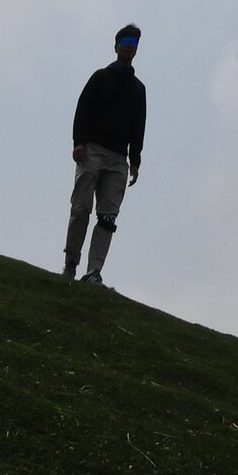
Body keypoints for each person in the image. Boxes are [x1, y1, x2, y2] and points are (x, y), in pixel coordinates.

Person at [64, 25, 147, 285]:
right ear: (116, 46)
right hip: (93, 151)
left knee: (108, 217)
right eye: (125, 40)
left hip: (118, 160)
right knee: (80, 208)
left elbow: (138, 125)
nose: (129, 45)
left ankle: (94, 271)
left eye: (133, 41)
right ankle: (71, 264)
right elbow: (83, 109)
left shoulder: (138, 89)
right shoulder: (100, 77)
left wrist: (135, 159)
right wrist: (79, 142)